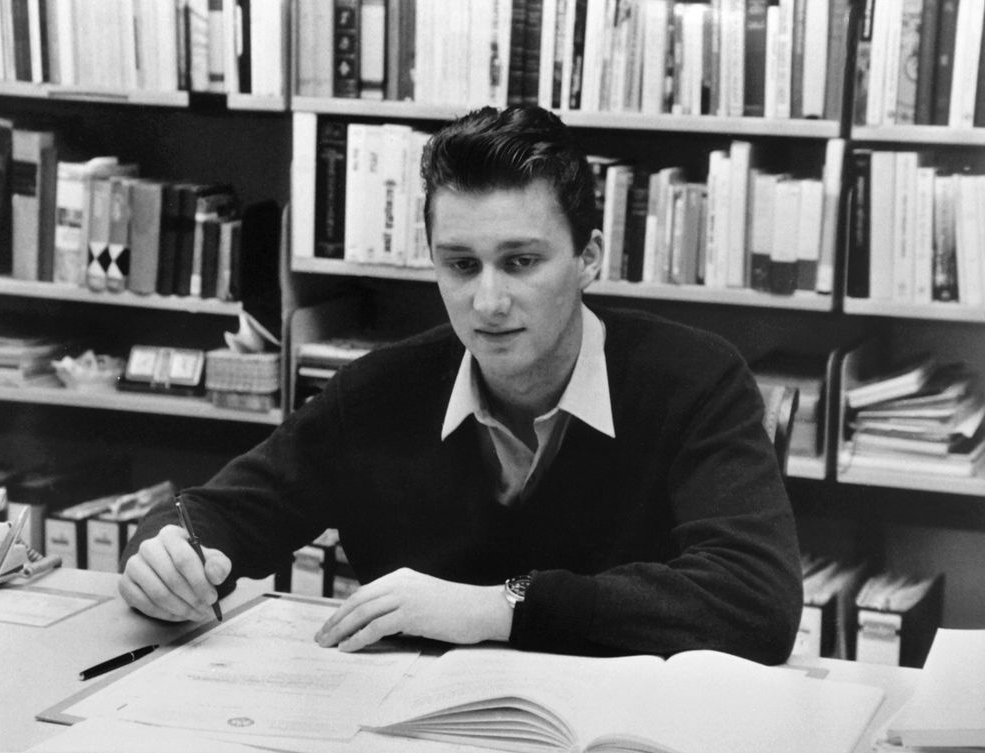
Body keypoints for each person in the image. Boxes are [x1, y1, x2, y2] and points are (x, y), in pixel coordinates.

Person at [119, 105, 803, 664]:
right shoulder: (376, 394)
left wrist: (499, 606)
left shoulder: (697, 381)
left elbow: (756, 600)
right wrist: (165, 552)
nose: (488, 300)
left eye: (521, 260)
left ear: (588, 257)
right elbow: (220, 514)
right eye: (461, 264)